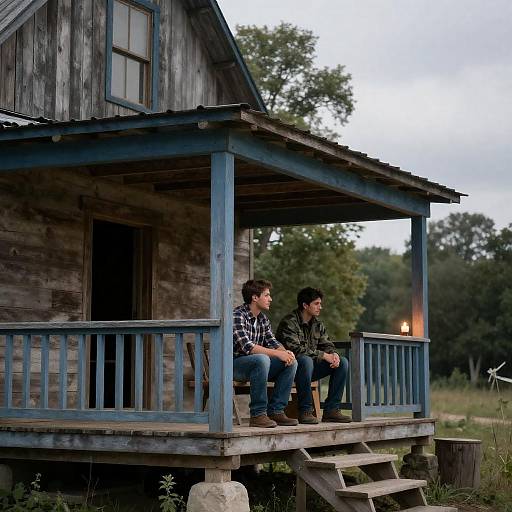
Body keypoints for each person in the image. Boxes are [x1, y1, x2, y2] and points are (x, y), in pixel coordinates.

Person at [276, 287, 351, 424]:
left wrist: (333, 354)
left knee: (343, 362)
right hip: (289, 368)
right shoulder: (289, 322)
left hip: (308, 369)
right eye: (316, 304)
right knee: (305, 360)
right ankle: (305, 411)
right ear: (305, 305)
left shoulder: (317, 324)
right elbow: (296, 350)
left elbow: (327, 344)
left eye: (320, 304)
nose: (320, 307)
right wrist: (323, 355)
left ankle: (331, 410)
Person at [233, 279, 299, 428]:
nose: (270, 299)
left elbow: (273, 343)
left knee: (291, 362)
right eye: (267, 295)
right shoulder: (238, 315)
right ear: (255, 297)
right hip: (234, 365)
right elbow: (247, 347)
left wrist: (285, 352)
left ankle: (276, 411)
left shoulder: (263, 319)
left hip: (256, 365)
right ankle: (257, 414)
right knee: (262, 359)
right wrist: (277, 354)